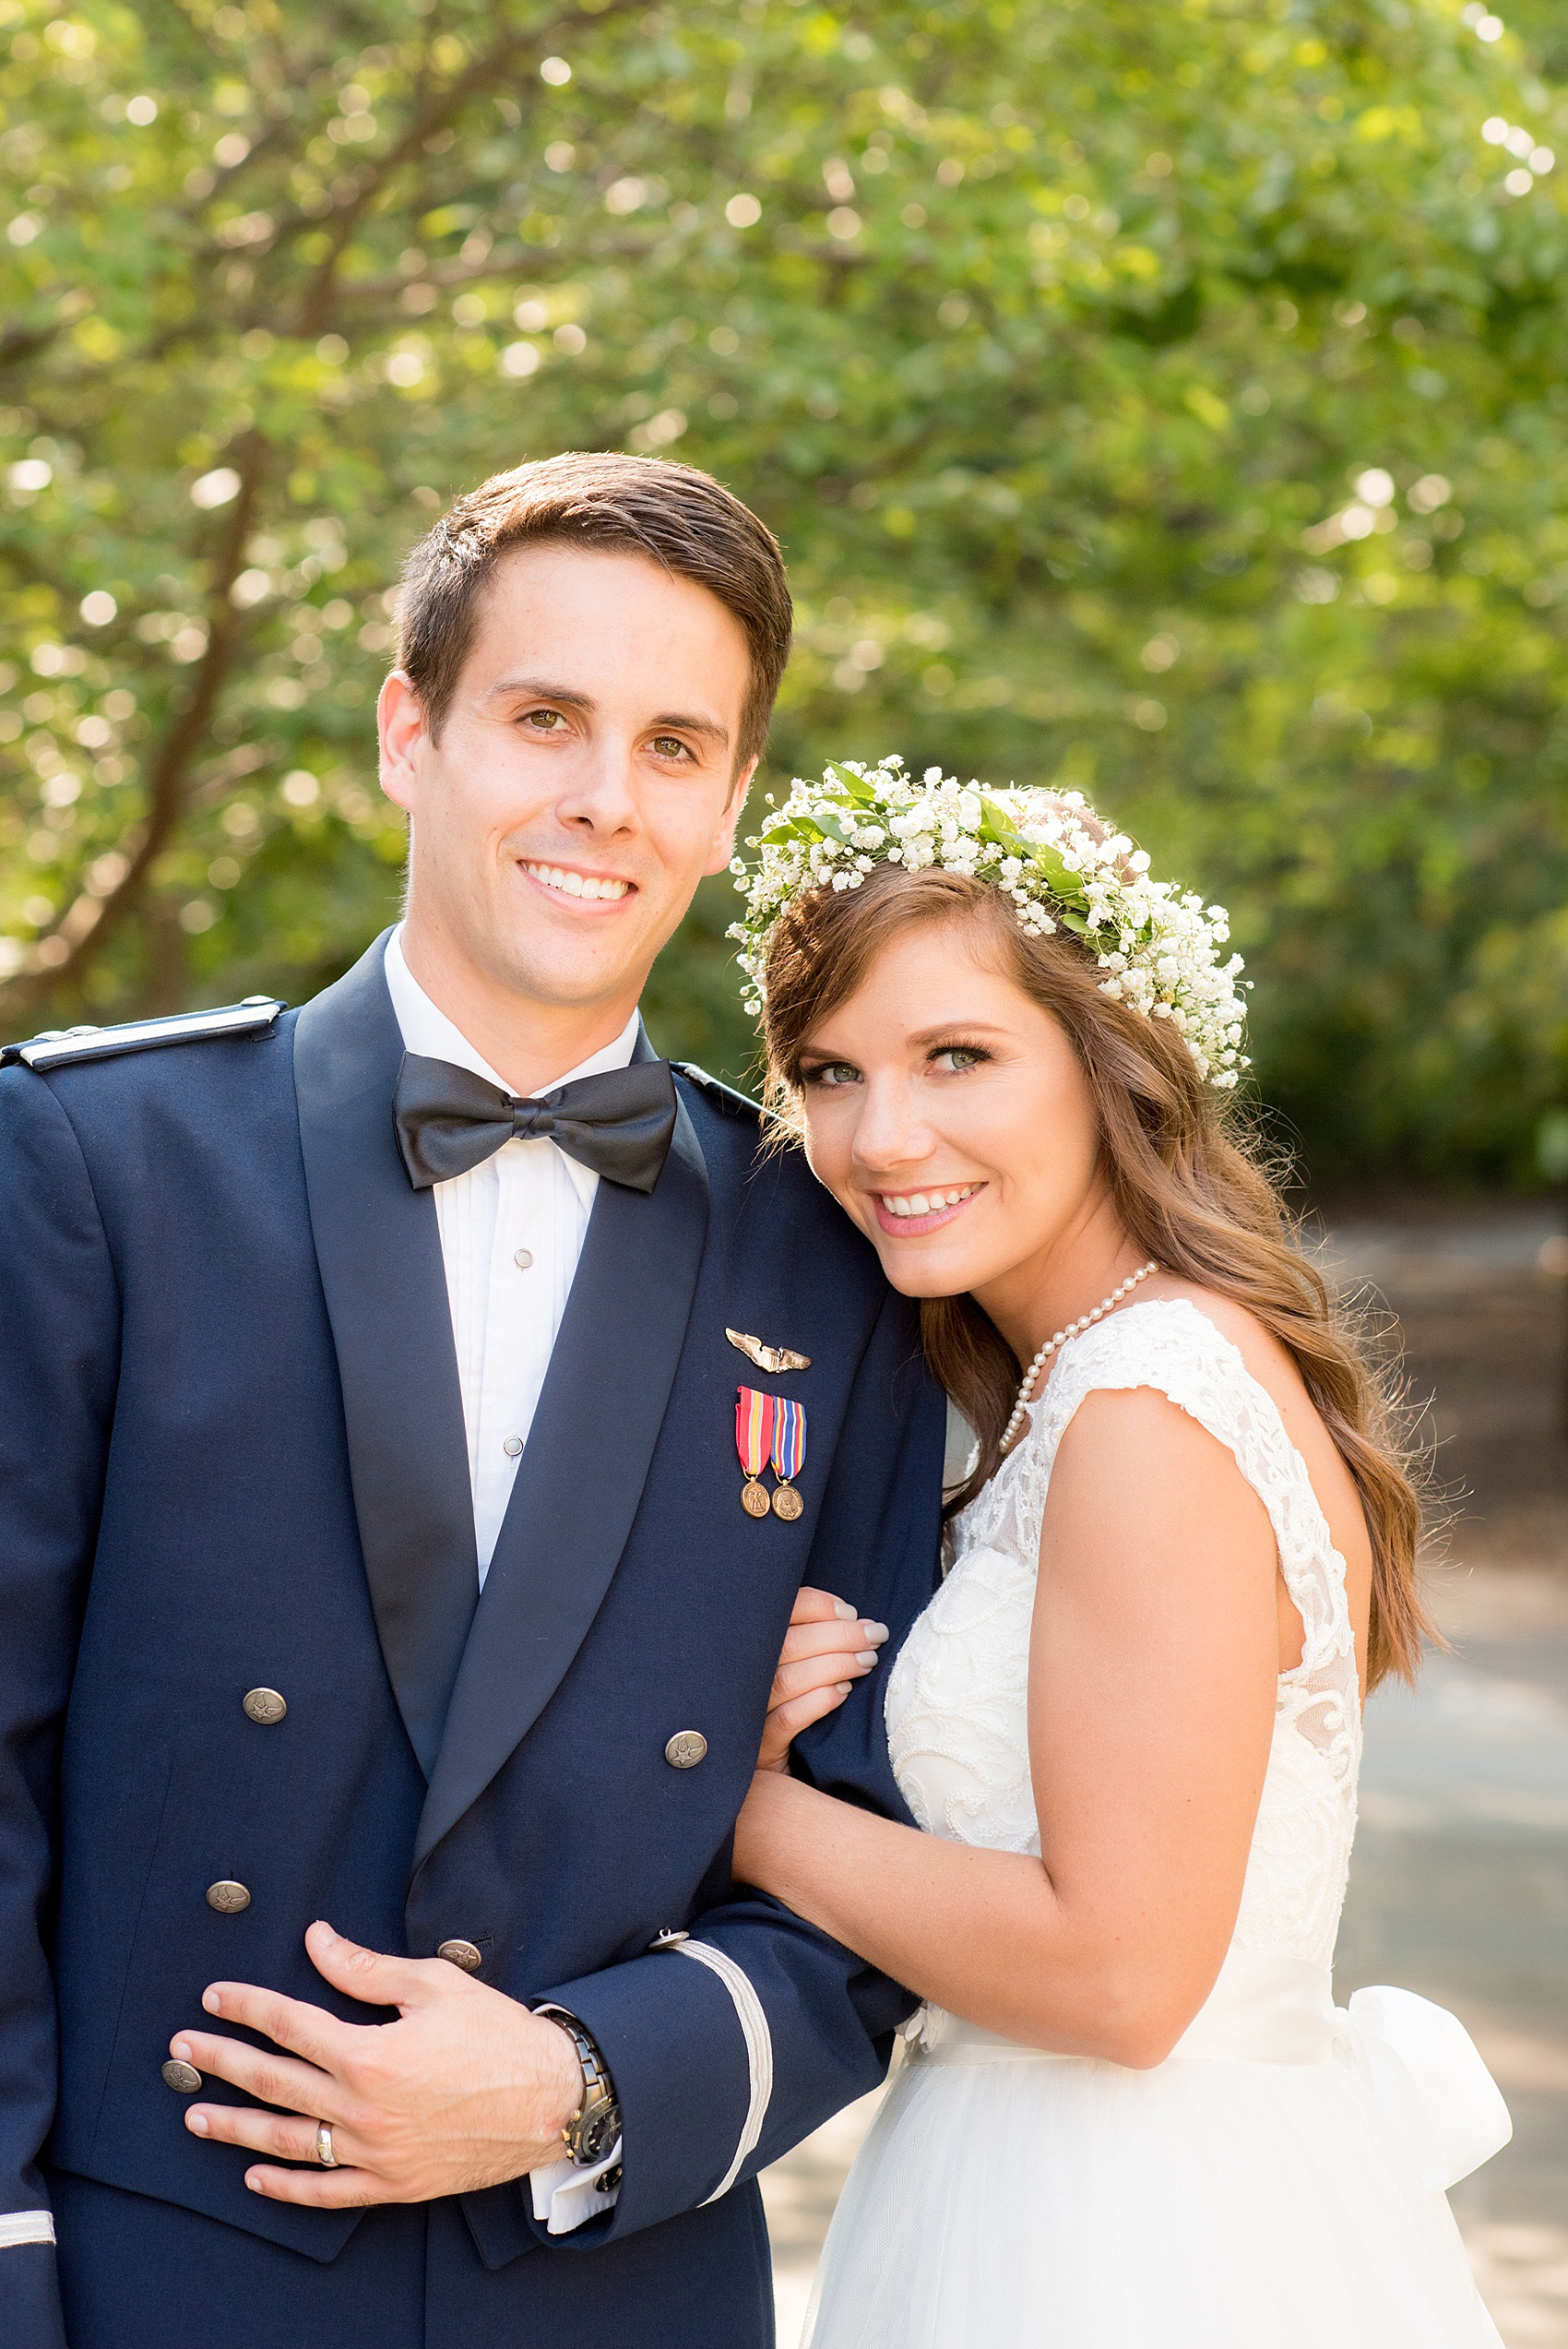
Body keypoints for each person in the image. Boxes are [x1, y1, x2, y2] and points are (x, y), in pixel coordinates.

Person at [0, 460, 947, 2348]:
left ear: (730, 798)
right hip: (158, 2280)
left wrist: (580, 2081)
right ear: (406, 733)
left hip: (618, 2288)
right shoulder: (94, 1165)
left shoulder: (832, 1247)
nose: (606, 796)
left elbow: (889, 1849)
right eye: (543, 719)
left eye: (675, 744)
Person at [731, 758, 1514, 2347]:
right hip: (1052, 2188)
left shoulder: (1147, 1398)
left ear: (1111, 1061)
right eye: (827, 1071)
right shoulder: (1075, 1381)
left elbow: (1118, 1976)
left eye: (959, 1054)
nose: (884, 1134)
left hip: (1129, 2242)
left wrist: (733, 1801)